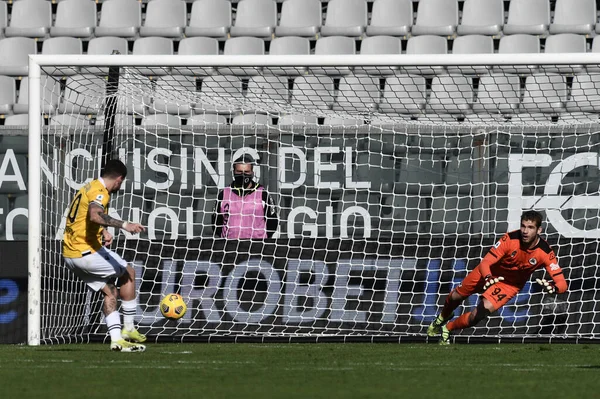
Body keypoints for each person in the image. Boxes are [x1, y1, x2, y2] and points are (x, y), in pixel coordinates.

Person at [428, 210, 568, 345]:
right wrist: (488, 277)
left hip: (509, 284)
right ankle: (442, 317)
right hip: (488, 273)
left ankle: (448, 328)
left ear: (539, 230)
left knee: (478, 315)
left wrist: (554, 288)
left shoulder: (545, 252)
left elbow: (562, 283)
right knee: (456, 297)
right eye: (523, 226)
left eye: (530, 227)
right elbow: (486, 262)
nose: (525, 231)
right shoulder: (509, 239)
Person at [62, 159, 147, 352]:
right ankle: (129, 328)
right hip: (85, 252)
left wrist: (102, 232)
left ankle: (117, 340)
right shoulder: (100, 192)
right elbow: (94, 214)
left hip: (70, 253)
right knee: (128, 273)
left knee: (110, 292)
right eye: (121, 183)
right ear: (119, 179)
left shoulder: (89, 186)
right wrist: (126, 225)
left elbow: (81, 218)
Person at [213, 154, 278, 239]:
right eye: (239, 172)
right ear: (233, 172)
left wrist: (262, 239)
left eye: (246, 172)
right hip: (229, 247)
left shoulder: (263, 194)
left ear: (252, 173)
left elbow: (272, 222)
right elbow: (215, 222)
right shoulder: (223, 194)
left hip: (257, 247)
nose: (243, 175)